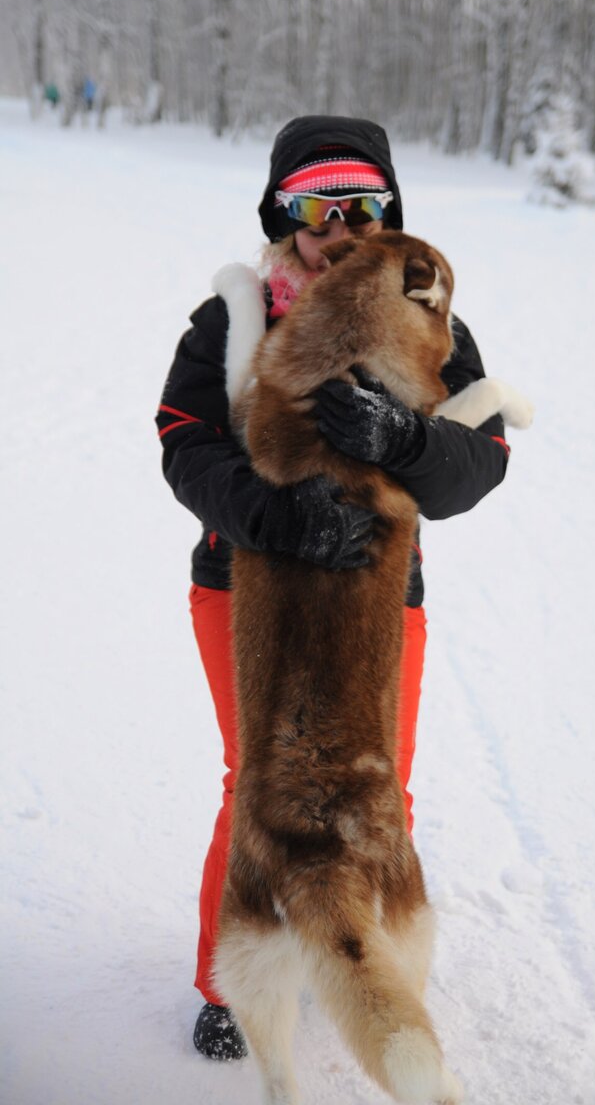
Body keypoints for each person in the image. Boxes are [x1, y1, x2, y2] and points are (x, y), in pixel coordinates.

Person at [156, 115, 511, 1060]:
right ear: (285, 213)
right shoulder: (232, 319)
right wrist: (270, 515)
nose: (341, 225)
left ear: (387, 210)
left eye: (363, 204)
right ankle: (234, 979)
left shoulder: (428, 312)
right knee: (257, 783)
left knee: (378, 783)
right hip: (241, 589)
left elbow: (481, 463)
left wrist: (402, 440)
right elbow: (181, 442)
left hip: (376, 600)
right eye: (319, 206)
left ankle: (381, 964)